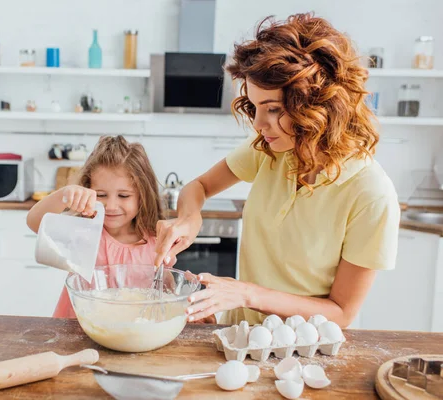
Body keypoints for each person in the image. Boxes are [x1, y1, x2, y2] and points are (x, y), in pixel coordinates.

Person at [154, 13, 400, 328]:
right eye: (255, 108)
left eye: (273, 109)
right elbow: (198, 186)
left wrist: (246, 294)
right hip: (243, 337)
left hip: (305, 352)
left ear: (321, 104)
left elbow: (341, 313)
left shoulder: (371, 195)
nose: (258, 124)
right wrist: (189, 219)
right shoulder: (272, 149)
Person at [27, 135, 165, 318]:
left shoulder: (157, 242)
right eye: (100, 195)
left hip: (132, 334)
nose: (111, 206)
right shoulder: (83, 231)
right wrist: (64, 195)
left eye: (123, 196)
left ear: (143, 196)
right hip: (76, 330)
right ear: (87, 189)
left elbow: (163, 293)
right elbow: (34, 222)